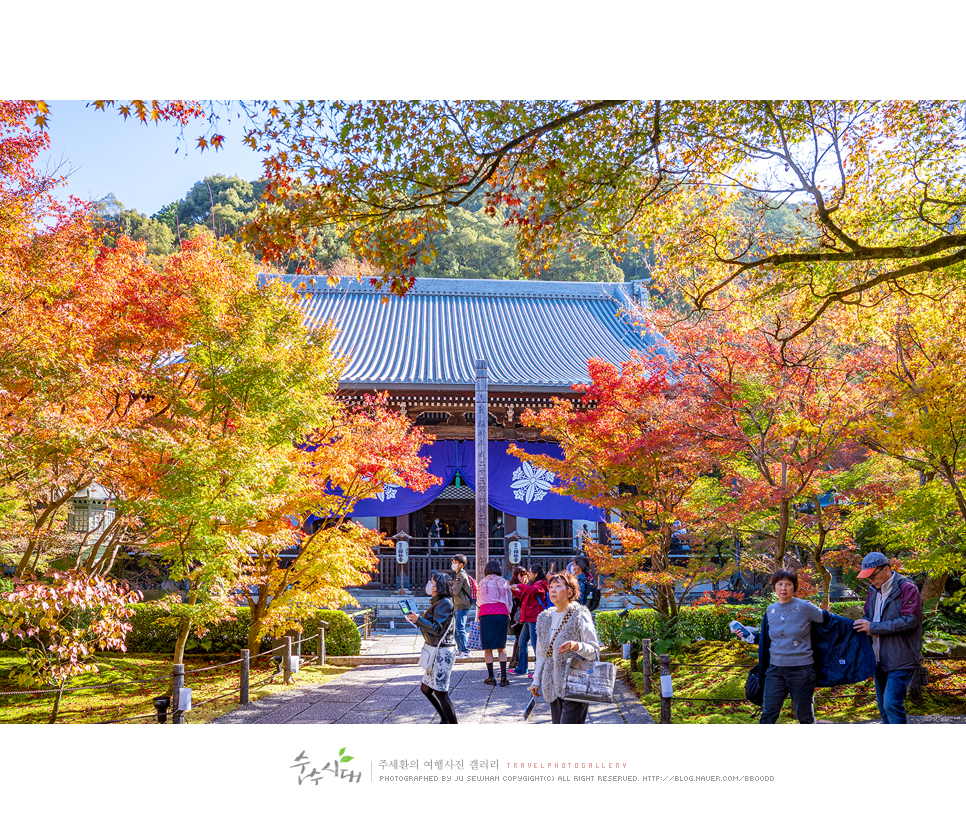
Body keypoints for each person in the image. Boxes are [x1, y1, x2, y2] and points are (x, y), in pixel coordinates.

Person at [751, 567, 876, 724]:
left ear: (794, 587)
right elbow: (771, 638)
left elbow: (832, 621)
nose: (783, 588)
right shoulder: (771, 610)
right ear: (774, 586)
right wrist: (751, 636)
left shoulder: (804, 607)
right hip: (775, 671)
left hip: (801, 671)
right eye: (780, 584)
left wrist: (860, 627)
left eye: (788, 584)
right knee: (768, 714)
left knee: (805, 718)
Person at [852, 551, 924, 724]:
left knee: (891, 703)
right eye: (867, 577)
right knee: (883, 707)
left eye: (872, 576)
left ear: (886, 570)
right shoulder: (873, 590)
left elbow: (909, 621)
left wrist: (873, 627)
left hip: (902, 658)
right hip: (878, 658)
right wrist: (864, 622)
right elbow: (869, 614)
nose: (870, 580)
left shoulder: (907, 589)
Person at [528, 571, 601, 724]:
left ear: (570, 591)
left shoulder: (580, 615)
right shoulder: (544, 618)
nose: (553, 590)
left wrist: (577, 646)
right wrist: (536, 681)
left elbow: (594, 650)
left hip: (576, 681)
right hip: (553, 682)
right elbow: (542, 654)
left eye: (558, 586)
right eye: (551, 586)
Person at [405, 571, 459, 724]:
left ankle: (452, 723)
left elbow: (437, 628)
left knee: (441, 692)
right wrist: (417, 620)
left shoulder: (445, 603)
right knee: (426, 689)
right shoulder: (439, 602)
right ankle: (444, 717)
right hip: (436, 649)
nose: (429, 583)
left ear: (439, 586)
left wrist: (419, 620)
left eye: (432, 581)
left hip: (442, 651)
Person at [478, 559, 513, 686]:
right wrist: (507, 612)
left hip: (486, 614)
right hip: (501, 614)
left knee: (488, 648)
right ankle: (504, 677)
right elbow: (509, 600)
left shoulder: (482, 583)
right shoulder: (503, 581)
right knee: (501, 647)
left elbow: (479, 601)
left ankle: (491, 677)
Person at [509, 563, 549, 677]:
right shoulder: (533, 583)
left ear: (536, 574)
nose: (528, 574)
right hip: (528, 617)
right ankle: (522, 668)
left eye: (530, 572)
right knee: (522, 642)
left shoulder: (541, 584)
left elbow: (532, 591)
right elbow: (523, 595)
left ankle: (539, 671)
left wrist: (518, 586)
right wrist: (513, 590)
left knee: (536, 644)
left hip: (535, 617)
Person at [451, 553, 473, 657]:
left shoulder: (460, 575)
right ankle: (460, 649)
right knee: (456, 629)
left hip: (461, 604)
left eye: (455, 562)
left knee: (460, 628)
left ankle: (465, 650)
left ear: (460, 564)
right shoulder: (460, 574)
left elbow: (455, 591)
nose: (453, 564)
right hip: (459, 604)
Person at [507, 565, 527, 670]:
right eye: (521, 575)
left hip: (522, 615)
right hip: (516, 616)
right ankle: (514, 660)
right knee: (519, 638)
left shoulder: (526, 586)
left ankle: (515, 660)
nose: (523, 578)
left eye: (525, 575)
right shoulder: (513, 587)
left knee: (519, 639)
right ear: (516, 576)